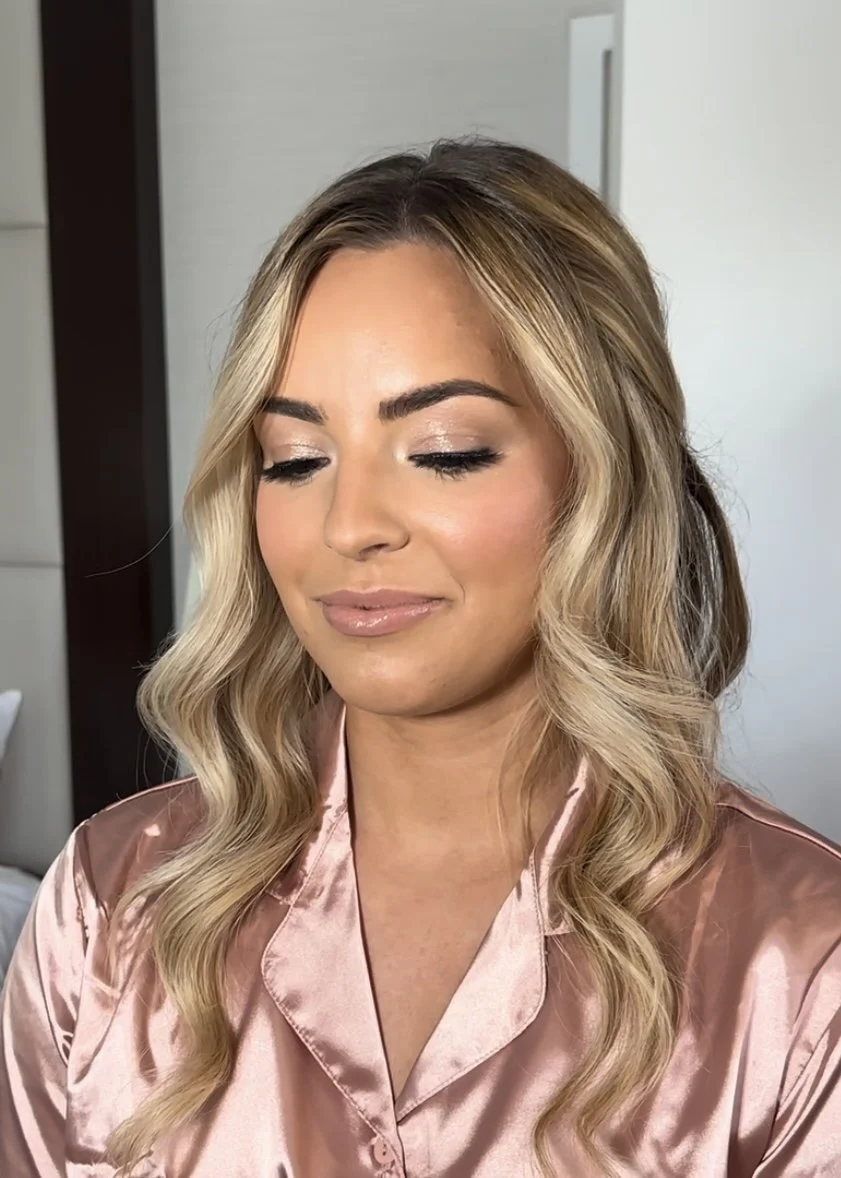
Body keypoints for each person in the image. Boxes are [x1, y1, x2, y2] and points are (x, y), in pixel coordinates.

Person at [2, 139, 840, 1178]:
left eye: (445, 449)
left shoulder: (801, 964)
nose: (349, 523)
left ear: (603, 469)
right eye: (295, 458)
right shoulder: (110, 904)